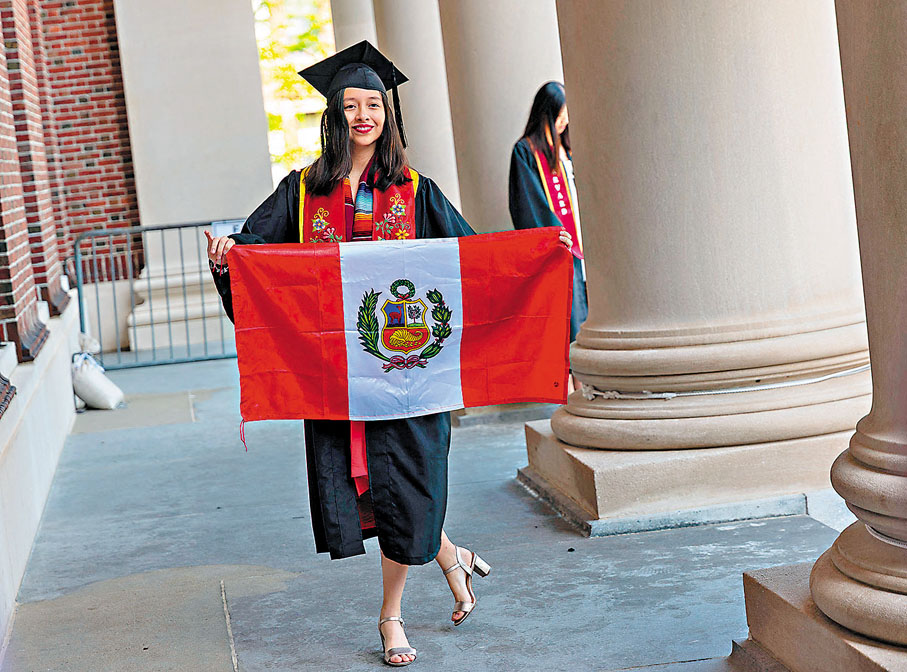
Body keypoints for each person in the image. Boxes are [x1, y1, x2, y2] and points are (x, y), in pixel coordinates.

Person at [207, 42, 573, 668]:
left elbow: (473, 262)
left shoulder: (416, 192)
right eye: (348, 105)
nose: (361, 116)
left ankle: (391, 617)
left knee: (407, 488)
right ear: (333, 115)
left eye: (372, 104)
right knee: (380, 493)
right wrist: (227, 253)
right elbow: (253, 252)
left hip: (409, 376)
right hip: (339, 381)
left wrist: (541, 250)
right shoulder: (301, 192)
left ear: (387, 113)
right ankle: (453, 560)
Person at [508, 81, 587, 348]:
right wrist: (559, 238)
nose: (563, 122)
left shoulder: (568, 150)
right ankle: (578, 387)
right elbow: (529, 206)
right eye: (559, 116)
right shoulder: (527, 153)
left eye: (566, 116)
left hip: (585, 249)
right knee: (573, 325)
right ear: (546, 113)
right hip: (564, 250)